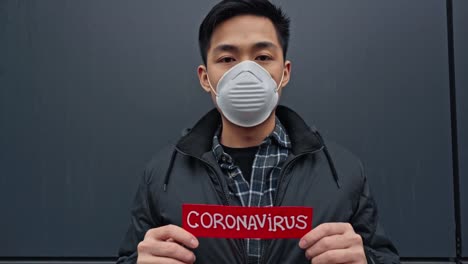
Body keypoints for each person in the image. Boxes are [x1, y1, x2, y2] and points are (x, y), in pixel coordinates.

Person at [117, 0, 400, 263]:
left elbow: (384, 256)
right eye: (227, 59)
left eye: (263, 56)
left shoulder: (342, 172)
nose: (246, 72)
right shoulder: (162, 176)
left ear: (284, 73)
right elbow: (130, 256)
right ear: (205, 78)